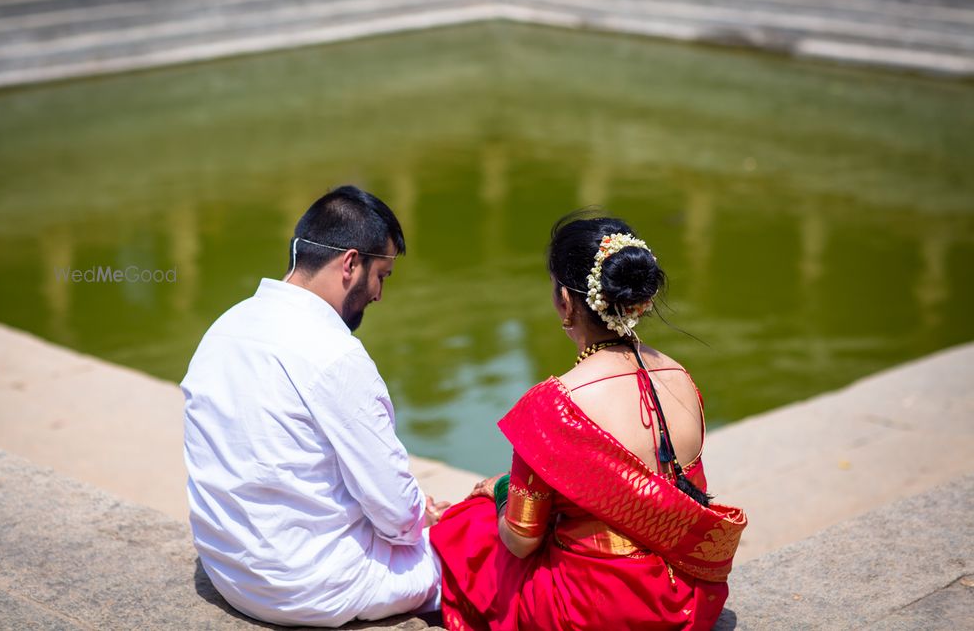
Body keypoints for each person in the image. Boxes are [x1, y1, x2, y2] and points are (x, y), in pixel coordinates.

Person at [430, 213, 747, 630]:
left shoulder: (555, 406)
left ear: (564, 300)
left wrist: (502, 489)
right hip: (691, 599)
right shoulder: (681, 378)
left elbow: (522, 541)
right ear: (640, 298)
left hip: (601, 609)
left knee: (466, 526)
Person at [182, 185, 448, 627]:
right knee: (478, 549)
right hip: (311, 584)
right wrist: (423, 512)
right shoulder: (333, 354)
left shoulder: (224, 328)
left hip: (230, 570)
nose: (379, 295)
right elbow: (397, 513)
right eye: (382, 276)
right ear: (350, 263)